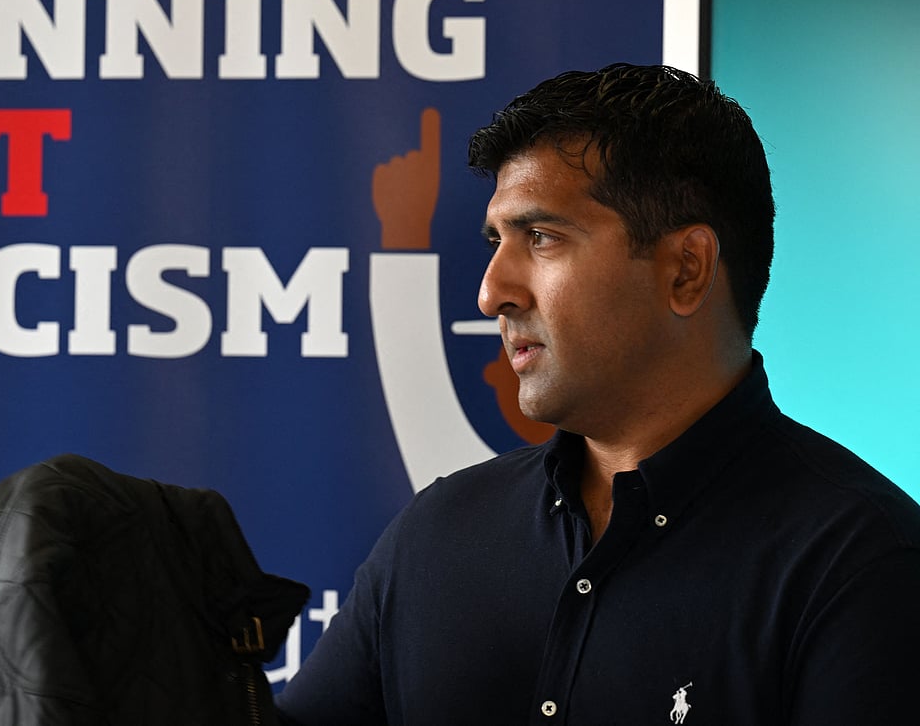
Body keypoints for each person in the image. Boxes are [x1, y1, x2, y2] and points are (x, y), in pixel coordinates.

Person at [275, 63, 920, 724]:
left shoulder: (861, 566)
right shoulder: (434, 537)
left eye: (542, 238)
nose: (491, 292)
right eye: (498, 241)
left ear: (686, 269)